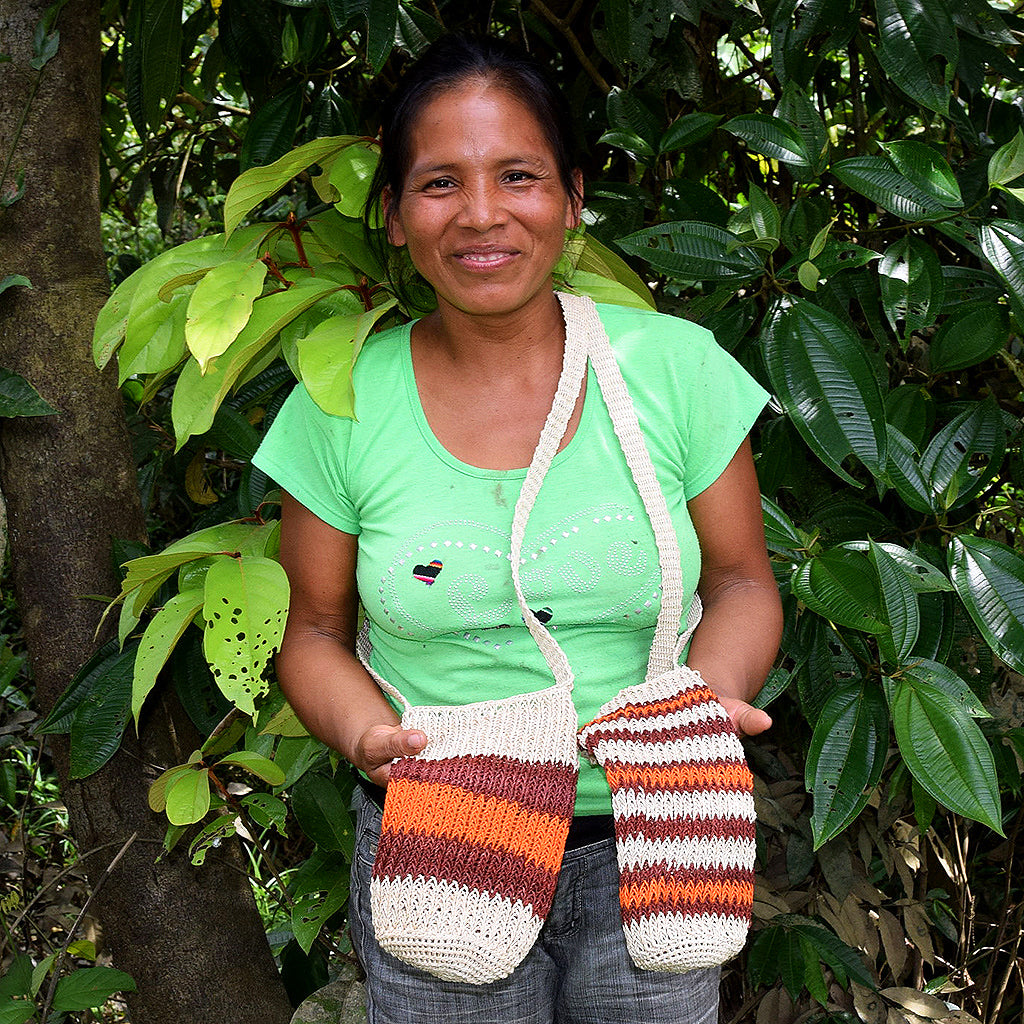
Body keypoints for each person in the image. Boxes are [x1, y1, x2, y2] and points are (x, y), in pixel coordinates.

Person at [253, 33, 783, 1024]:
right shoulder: (339, 404)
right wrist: (366, 734)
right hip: (435, 839)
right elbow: (314, 632)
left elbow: (745, 582)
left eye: (519, 176)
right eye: (440, 182)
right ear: (398, 216)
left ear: (572, 199)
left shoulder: (674, 371)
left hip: (656, 838)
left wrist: (703, 712)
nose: (482, 213)